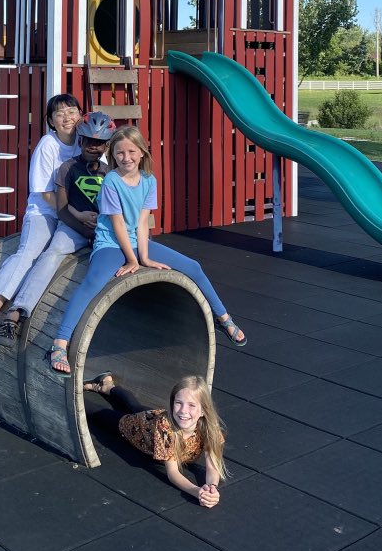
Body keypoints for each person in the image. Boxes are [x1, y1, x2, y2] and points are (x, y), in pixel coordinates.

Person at [48, 126, 246, 375]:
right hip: (110, 242)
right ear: (112, 155)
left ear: (142, 152)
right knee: (94, 281)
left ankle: (223, 318)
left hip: (136, 241)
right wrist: (132, 260)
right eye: (119, 153)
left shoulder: (149, 181)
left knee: (193, 266)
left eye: (131, 151)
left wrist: (145, 257)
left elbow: (142, 222)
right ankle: (59, 343)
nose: (126, 157)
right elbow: (118, 224)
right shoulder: (111, 181)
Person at [0, 93, 81, 355]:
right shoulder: (48, 145)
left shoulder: (86, 142)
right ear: (51, 121)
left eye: (72, 111)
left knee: (54, 254)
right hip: (45, 211)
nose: (67, 117)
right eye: (59, 113)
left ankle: (15, 314)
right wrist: (73, 213)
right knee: (29, 253)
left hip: (71, 214)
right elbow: (44, 193)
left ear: (80, 114)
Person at [0, 112, 117, 347]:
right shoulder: (67, 168)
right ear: (80, 141)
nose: (93, 146)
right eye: (88, 141)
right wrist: (83, 227)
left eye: (99, 143)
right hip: (73, 227)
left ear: (106, 145)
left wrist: (102, 229)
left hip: (104, 231)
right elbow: (61, 210)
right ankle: (15, 315)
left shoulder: (110, 171)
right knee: (52, 252)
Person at [84, 372, 226, 507]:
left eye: (191, 405)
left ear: (203, 411)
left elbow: (212, 466)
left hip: (152, 418)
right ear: (171, 405)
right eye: (178, 403)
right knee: (99, 415)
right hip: (137, 428)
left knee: (135, 406)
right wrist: (196, 491)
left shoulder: (210, 429)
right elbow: (173, 473)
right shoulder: (166, 428)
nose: (183, 410)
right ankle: (77, 393)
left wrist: (211, 488)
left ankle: (107, 385)